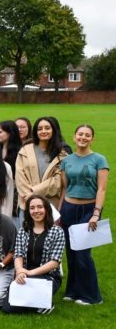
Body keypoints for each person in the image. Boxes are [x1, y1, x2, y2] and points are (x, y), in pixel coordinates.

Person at [59, 124, 109, 305]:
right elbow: (65, 188)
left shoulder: (99, 160)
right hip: (69, 209)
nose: (83, 137)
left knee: (83, 254)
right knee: (71, 253)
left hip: (88, 210)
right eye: (80, 134)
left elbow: (102, 189)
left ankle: (92, 296)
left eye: (87, 135)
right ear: (74, 137)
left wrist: (96, 213)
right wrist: (59, 212)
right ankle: (72, 291)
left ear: (92, 139)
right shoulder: (67, 160)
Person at [3, 194, 65, 314]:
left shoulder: (57, 231)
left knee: (22, 302)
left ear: (46, 209)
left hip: (48, 276)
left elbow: (54, 262)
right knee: (8, 308)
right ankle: (40, 303)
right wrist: (20, 270)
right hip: (25, 275)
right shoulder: (23, 230)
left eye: (40, 207)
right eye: (32, 208)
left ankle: (43, 302)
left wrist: (30, 273)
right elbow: (18, 255)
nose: (36, 211)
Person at [15, 117, 67, 217]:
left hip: (50, 206)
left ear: (53, 131)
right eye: (40, 129)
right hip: (27, 204)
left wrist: (34, 192)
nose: (43, 131)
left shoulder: (62, 156)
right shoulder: (24, 151)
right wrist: (29, 197)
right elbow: (19, 177)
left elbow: (57, 182)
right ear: (35, 131)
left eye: (47, 128)